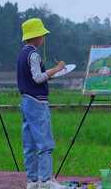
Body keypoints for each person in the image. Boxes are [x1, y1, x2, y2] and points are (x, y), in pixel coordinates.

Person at [17, 18, 66, 189]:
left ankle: (32, 181)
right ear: (38, 36)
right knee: (44, 143)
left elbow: (33, 77)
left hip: (25, 101)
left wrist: (49, 74)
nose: (43, 38)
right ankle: (45, 181)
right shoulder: (34, 54)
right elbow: (38, 78)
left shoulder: (22, 54)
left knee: (29, 144)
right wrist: (57, 69)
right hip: (37, 102)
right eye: (43, 35)